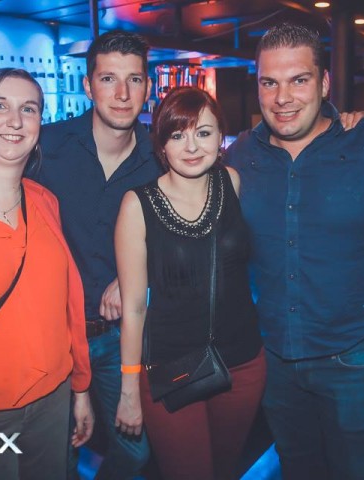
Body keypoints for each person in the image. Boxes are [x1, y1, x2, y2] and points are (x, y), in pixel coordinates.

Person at [225, 23, 364, 480]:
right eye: (270, 82)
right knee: (297, 467)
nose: (282, 97)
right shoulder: (242, 153)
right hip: (274, 357)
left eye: (298, 80)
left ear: (324, 83)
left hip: (353, 358)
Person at [114, 86, 266, 480]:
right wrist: (129, 390)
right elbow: (134, 307)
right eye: (178, 135)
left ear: (220, 137)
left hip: (242, 364)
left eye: (204, 132)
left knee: (226, 469)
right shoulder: (137, 204)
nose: (192, 146)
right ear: (161, 144)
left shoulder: (232, 182)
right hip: (172, 370)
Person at [30, 30, 162, 479]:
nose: (122, 94)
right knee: (57, 456)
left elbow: (188, 236)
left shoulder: (161, 158)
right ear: (88, 85)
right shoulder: (46, 146)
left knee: (135, 453)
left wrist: (137, 276)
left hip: (115, 337)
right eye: (108, 79)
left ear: (148, 85)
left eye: (134, 80)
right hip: (49, 336)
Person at [0, 68, 93, 480]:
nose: (15, 120)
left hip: (52, 403)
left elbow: (68, 304)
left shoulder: (44, 201)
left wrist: (80, 388)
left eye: (29, 109)